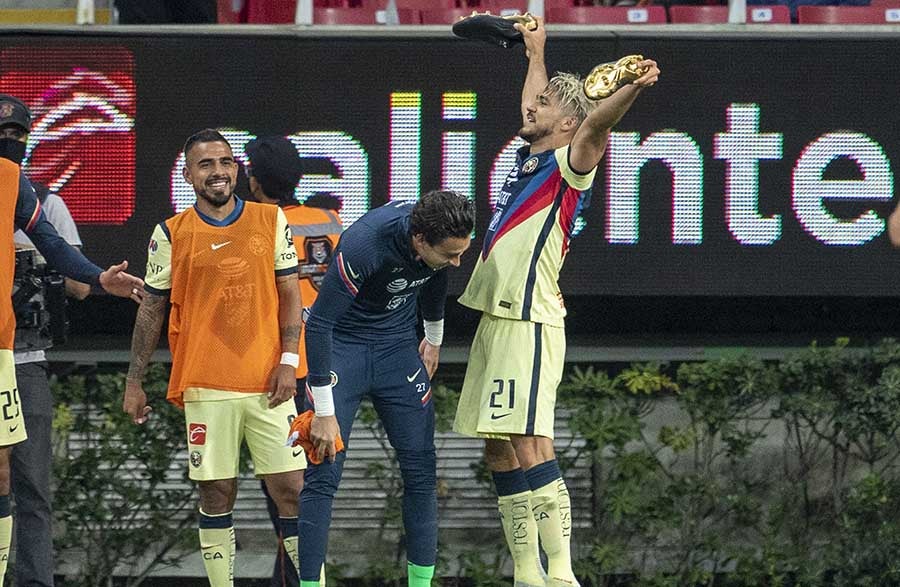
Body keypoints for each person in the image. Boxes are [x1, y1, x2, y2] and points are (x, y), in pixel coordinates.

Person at [451, 18, 660, 587]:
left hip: (530, 320)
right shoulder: (528, 156)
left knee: (530, 440)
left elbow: (595, 123)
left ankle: (562, 575)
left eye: (543, 105)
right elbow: (536, 101)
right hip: (496, 318)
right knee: (498, 447)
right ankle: (527, 573)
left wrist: (632, 87)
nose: (530, 108)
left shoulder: (571, 164)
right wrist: (535, 52)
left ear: (566, 123)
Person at [122, 129, 306, 587]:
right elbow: (151, 310)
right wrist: (134, 381)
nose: (219, 171)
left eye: (225, 161)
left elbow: (289, 294)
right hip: (206, 383)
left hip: (270, 383)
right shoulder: (170, 233)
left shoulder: (270, 220)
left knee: (294, 492)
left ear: (236, 168)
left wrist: (288, 359)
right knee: (216, 492)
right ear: (187, 175)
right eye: (206, 164)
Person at [0, 92, 143, 587]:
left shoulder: (23, 190)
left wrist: (101, 278)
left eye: (17, 134)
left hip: (17, 357)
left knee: (28, 484)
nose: (8, 143)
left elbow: (57, 250)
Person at [300, 191, 476, 587]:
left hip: (396, 350)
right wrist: (324, 412)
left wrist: (433, 337)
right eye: (450, 253)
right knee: (323, 472)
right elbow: (319, 324)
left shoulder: (437, 237)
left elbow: (435, 276)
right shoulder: (366, 243)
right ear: (419, 239)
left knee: (421, 470)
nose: (458, 261)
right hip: (343, 347)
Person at [244, 135, 343, 587]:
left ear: (253, 179)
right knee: (311, 496)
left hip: (284, 377)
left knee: (287, 500)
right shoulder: (331, 219)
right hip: (329, 378)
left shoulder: (257, 224)